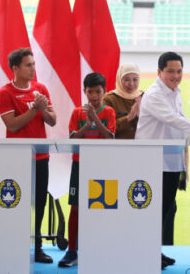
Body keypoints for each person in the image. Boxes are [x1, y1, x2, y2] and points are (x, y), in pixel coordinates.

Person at [135, 52, 190, 269]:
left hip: (170, 162)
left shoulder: (175, 91)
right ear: (159, 72)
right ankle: (143, 254)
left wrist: (183, 164)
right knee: (151, 211)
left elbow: (177, 126)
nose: (175, 75)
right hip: (152, 162)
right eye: (170, 71)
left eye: (179, 71)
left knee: (163, 209)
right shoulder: (154, 94)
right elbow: (173, 119)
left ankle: (154, 251)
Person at [0, 48, 56, 263]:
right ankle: (13, 244)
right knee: (14, 201)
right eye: (28, 65)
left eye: (33, 64)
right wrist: (34, 110)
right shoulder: (5, 93)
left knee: (39, 202)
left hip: (40, 157)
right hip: (16, 157)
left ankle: (37, 246)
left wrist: (42, 109)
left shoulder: (41, 89)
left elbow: (53, 120)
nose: (33, 69)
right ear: (15, 68)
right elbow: (12, 126)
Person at [58, 73, 116, 267]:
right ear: (85, 92)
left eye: (97, 91)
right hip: (80, 164)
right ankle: (72, 250)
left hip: (102, 165)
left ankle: (100, 248)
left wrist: (95, 120)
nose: (93, 96)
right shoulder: (77, 113)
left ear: (104, 92)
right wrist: (88, 124)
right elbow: (73, 139)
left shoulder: (109, 112)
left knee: (103, 207)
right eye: (89, 91)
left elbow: (110, 138)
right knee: (75, 208)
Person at [103, 63, 143, 139]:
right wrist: (128, 117)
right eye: (127, 79)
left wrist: (141, 115)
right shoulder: (109, 99)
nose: (131, 84)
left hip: (143, 146)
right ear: (119, 79)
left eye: (135, 79)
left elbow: (153, 127)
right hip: (117, 147)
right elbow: (106, 129)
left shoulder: (144, 97)